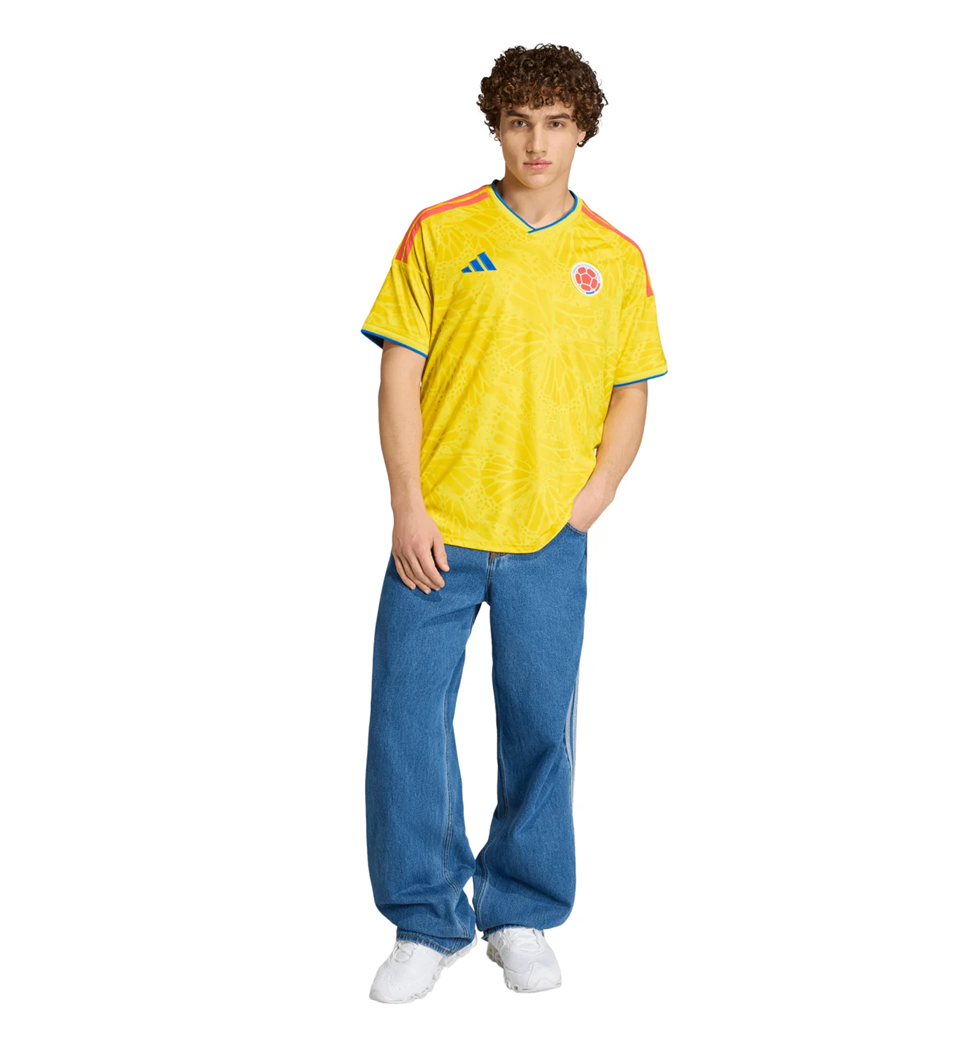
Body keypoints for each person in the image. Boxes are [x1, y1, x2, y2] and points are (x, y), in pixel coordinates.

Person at [359, 43, 668, 1003]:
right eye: (520, 121)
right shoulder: (440, 232)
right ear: (496, 126)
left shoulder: (615, 258)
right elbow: (399, 375)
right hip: (438, 529)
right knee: (407, 723)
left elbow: (631, 387)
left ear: (583, 131)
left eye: (557, 123)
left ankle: (520, 910)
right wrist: (407, 506)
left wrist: (594, 496)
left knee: (541, 726)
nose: (537, 142)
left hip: (547, 536)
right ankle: (426, 919)